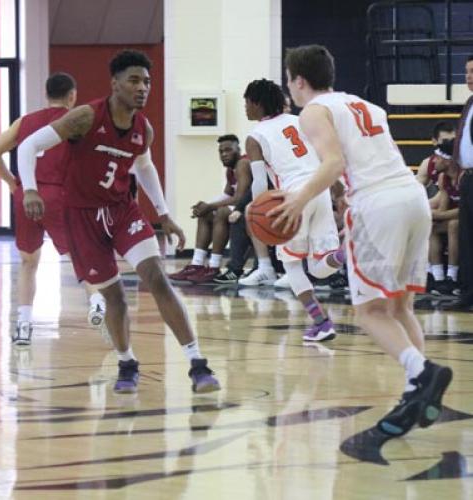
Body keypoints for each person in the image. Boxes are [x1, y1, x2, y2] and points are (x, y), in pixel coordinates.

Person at [273, 44, 452, 436]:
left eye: (289, 81)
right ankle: (416, 391)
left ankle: (422, 373)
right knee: (402, 306)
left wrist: (298, 200)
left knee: (370, 311)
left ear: (299, 81)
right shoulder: (365, 105)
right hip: (411, 197)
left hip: (377, 204)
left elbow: (334, 163)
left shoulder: (313, 112)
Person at [17, 50, 220, 394]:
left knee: (157, 278)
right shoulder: (84, 117)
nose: (143, 88)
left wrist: (164, 214)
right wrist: (30, 190)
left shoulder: (144, 128)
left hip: (123, 211)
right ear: (115, 84)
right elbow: (28, 146)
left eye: (147, 81)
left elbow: (144, 167)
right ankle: (127, 362)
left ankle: (198, 364)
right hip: (82, 217)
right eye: (134, 80)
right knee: (115, 298)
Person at [0, 73, 106, 346]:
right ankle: (97, 302)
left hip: (27, 195)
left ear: (46, 93)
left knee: (29, 263)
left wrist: (12, 184)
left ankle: (24, 325)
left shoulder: (25, 121)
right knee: (82, 256)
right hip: (59, 196)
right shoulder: (78, 121)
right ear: (72, 96)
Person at [243, 78, 344, 341]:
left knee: (292, 265)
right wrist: (337, 189)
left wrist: (259, 212)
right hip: (319, 188)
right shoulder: (298, 120)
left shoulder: (255, 136)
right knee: (321, 266)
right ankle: (345, 254)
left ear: (255, 103)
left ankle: (321, 322)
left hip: (292, 197)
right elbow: (326, 157)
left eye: (246, 102)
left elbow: (258, 183)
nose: (245, 109)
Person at [168, 134, 251, 284]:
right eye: (221, 151)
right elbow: (226, 194)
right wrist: (205, 206)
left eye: (228, 150)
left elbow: (240, 198)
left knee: (222, 211)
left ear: (238, 150)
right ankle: (197, 264)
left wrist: (211, 206)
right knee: (206, 214)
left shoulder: (242, 164)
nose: (224, 154)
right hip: (239, 208)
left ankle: (214, 266)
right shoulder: (230, 169)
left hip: (250, 207)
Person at [445, 55, 473, 310]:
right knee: (467, 236)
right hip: (468, 177)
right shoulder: (470, 102)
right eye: (466, 72)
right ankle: (467, 293)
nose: (468, 77)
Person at [427, 140, 460, 296]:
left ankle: (452, 276)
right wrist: (433, 215)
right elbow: (442, 208)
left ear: (447, 161)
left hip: (467, 218)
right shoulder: (444, 178)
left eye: (437, 158)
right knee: (431, 226)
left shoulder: (464, 177)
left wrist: (437, 215)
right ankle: (437, 277)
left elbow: (465, 210)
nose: (434, 161)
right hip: (458, 219)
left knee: (454, 224)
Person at [416, 121, 456, 205]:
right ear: (434, 141)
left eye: (453, 141)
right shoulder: (428, 164)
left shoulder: (465, 165)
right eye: (445, 141)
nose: (450, 145)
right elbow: (414, 191)